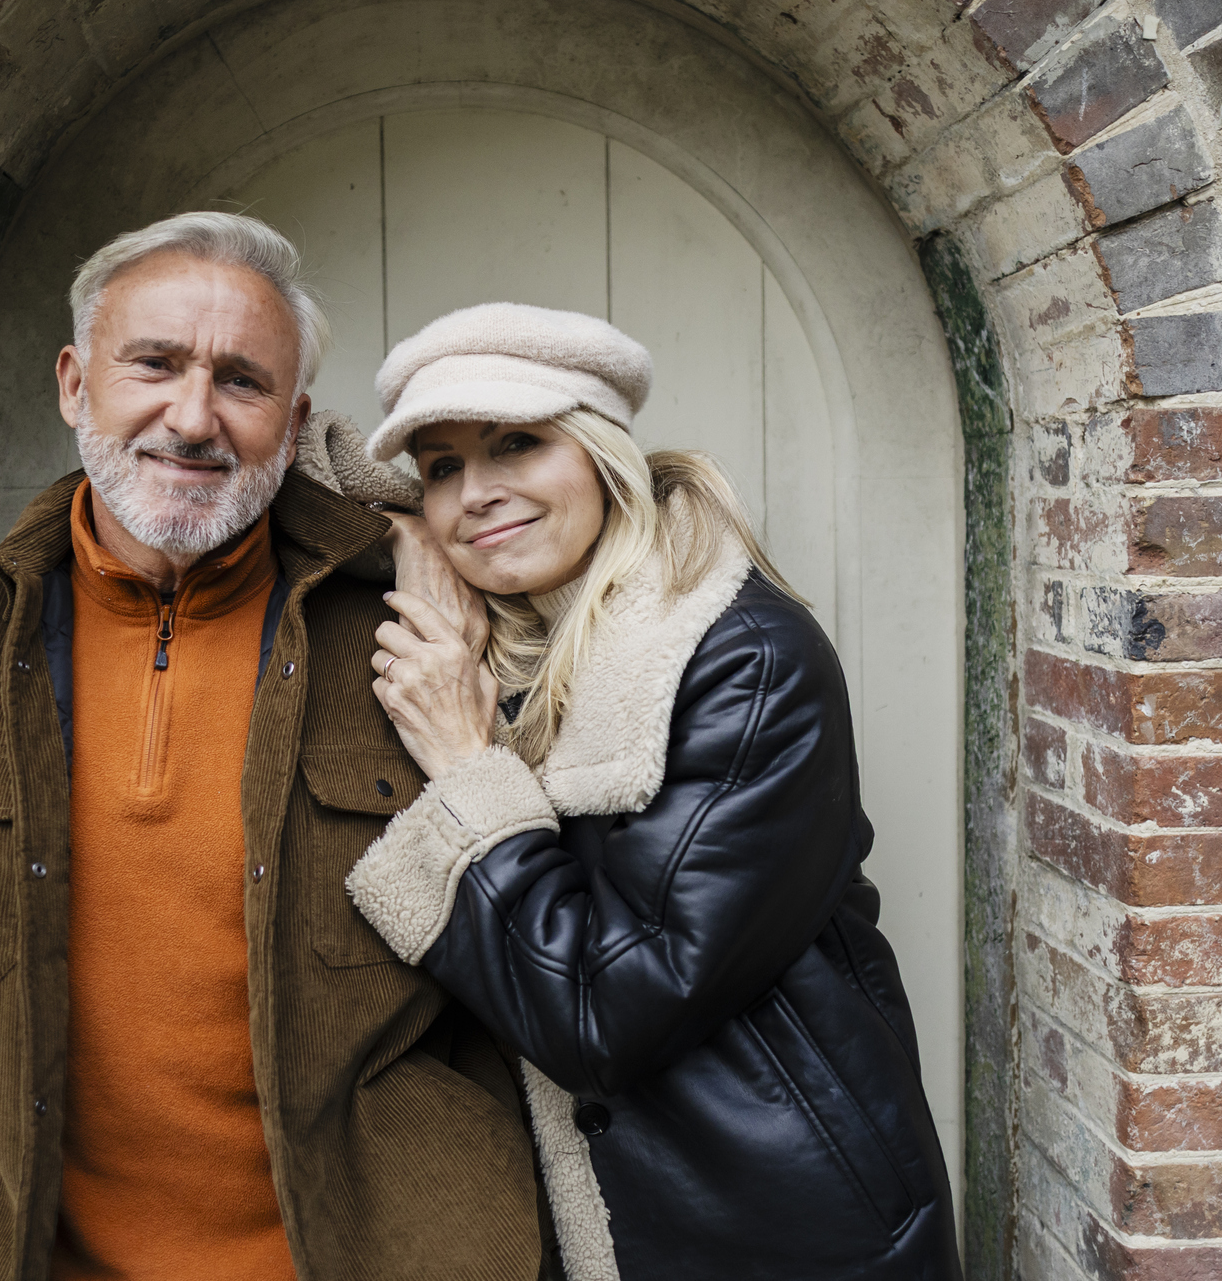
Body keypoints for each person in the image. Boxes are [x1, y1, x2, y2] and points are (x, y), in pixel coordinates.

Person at [0, 214, 550, 1281]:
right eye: (156, 365)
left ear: (295, 419)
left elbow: (535, 957)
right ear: (77, 384)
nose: (193, 416)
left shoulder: (418, 629)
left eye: (241, 381)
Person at [344, 303, 964, 1281]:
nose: (478, 492)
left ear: (600, 452)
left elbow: (604, 1011)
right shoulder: (510, 647)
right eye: (443, 467)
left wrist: (468, 768)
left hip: (778, 1229)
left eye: (517, 443)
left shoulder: (742, 660)